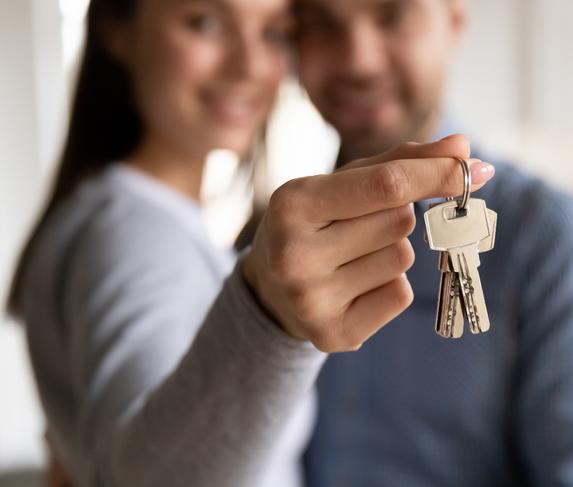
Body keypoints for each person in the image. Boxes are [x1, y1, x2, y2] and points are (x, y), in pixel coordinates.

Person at [6, 0, 495, 486]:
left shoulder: (134, 217)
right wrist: (269, 320)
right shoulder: (130, 234)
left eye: (273, 33)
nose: (251, 66)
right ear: (118, 30)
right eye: (206, 23)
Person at [275, 0, 573, 485]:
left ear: (454, 23)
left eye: (393, 16)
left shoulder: (558, 245)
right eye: (322, 24)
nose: (358, 60)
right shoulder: (272, 245)